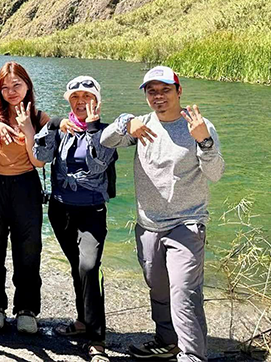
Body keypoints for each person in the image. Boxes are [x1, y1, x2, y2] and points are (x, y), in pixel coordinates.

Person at [101, 66, 224, 362]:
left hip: (188, 222)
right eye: (151, 91)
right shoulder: (141, 124)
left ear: (179, 92)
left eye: (165, 90)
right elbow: (105, 140)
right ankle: (167, 342)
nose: (158, 96)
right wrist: (124, 123)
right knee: (157, 287)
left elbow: (216, 173)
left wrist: (204, 142)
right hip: (148, 224)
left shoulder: (199, 126)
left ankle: (192, 356)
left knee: (184, 292)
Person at [34, 76, 116, 362]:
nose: (81, 102)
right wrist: (53, 124)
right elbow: (40, 156)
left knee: (89, 266)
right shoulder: (60, 130)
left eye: (87, 97)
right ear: (68, 101)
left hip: (91, 212)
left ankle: (97, 339)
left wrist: (91, 129)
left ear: (97, 100)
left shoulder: (107, 132)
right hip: (60, 210)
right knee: (75, 266)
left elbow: (100, 164)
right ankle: (82, 321)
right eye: (75, 98)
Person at [0, 61, 50, 334]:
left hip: (26, 187)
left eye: (17, 85)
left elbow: (38, 162)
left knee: (29, 249)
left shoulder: (41, 117)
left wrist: (28, 129)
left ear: (28, 85)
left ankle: (26, 309)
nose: (11, 91)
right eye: (5, 87)